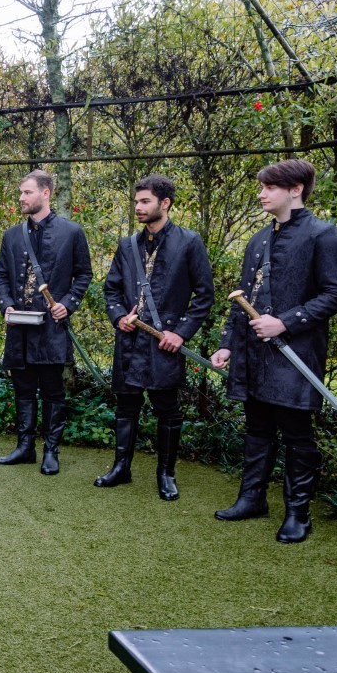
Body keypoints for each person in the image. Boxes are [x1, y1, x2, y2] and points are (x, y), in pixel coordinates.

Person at [212, 159, 337, 543]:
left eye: (269, 187)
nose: (261, 194)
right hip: (253, 354)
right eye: (262, 187)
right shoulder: (258, 240)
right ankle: (252, 499)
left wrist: (285, 322)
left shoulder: (323, 235)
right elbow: (242, 298)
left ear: (295, 189)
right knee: (257, 428)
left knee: (296, 433)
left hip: (296, 352)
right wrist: (227, 345)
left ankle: (298, 514)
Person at [98, 175, 214, 500]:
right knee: (126, 406)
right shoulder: (127, 246)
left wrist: (181, 333)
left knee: (167, 409)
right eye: (136, 201)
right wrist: (119, 317)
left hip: (164, 343)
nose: (138, 207)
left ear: (165, 203)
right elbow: (111, 289)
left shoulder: (189, 242)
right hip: (129, 341)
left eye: (145, 201)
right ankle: (121, 468)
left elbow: (205, 295)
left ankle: (166, 475)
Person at [0, 170, 93, 475]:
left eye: (27, 192)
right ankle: (25, 448)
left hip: (51, 328)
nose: (21, 198)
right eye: (21, 192)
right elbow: (1, 276)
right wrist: (7, 306)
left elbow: (84, 275)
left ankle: (51, 451)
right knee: (22, 389)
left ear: (46, 193)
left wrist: (68, 304)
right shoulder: (12, 235)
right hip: (19, 328)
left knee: (52, 392)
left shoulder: (72, 232)